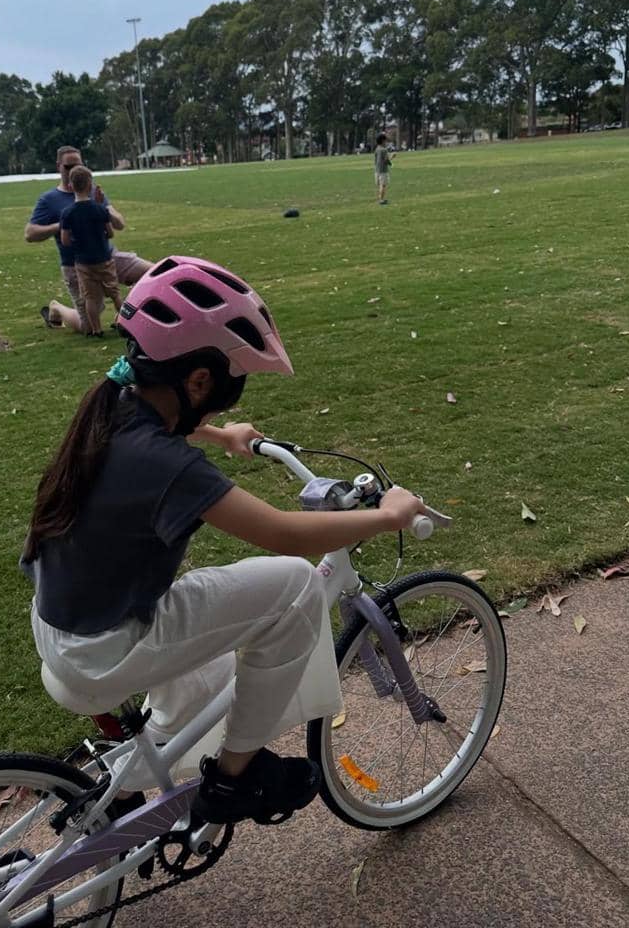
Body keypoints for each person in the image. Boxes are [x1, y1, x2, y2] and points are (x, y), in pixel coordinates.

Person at [22, 255, 426, 825]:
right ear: (198, 380)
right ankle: (235, 782)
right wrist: (388, 516)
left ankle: (135, 784)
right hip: (104, 649)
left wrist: (217, 431)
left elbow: (161, 418)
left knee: (213, 678)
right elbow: (282, 532)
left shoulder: (111, 401)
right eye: (230, 390)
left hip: (65, 626)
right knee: (291, 588)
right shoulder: (169, 467)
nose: (228, 399)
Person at [24, 144, 152, 334]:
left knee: (153, 274)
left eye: (78, 165)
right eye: (68, 166)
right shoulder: (49, 200)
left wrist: (104, 209)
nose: (74, 170)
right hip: (77, 266)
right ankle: (57, 308)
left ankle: (123, 317)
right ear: (58, 166)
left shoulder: (93, 192)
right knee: (88, 327)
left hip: (109, 257)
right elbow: (30, 234)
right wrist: (65, 224)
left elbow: (119, 225)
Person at [59, 166, 126, 336]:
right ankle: (125, 323)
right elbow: (110, 233)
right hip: (104, 257)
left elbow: (65, 240)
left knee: (89, 297)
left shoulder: (67, 213)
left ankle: (97, 329)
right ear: (90, 186)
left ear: (70, 186)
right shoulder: (100, 209)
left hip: (83, 261)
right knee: (114, 292)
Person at [374, 132, 392, 205]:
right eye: (385, 140)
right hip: (383, 171)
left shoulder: (377, 149)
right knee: (383, 185)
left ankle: (380, 198)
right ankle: (381, 199)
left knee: (380, 185)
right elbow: (386, 160)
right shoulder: (384, 150)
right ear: (382, 141)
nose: (386, 142)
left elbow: (375, 160)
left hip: (377, 170)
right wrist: (392, 158)